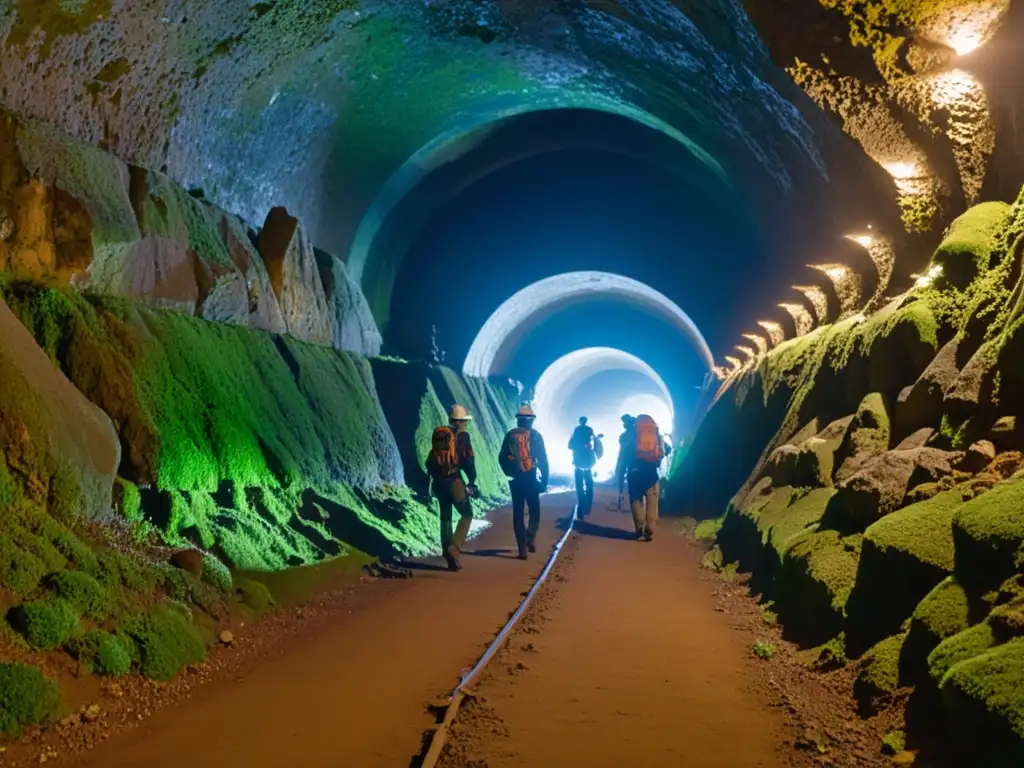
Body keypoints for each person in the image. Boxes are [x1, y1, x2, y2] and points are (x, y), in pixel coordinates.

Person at [425, 404, 479, 571]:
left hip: (439, 482)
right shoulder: (463, 437)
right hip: (454, 481)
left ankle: (449, 557)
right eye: (464, 421)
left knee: (445, 518)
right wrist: (472, 480)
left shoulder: (440, 435)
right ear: (461, 422)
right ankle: (454, 549)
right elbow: (468, 461)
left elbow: (429, 462)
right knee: (467, 514)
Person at [499, 404, 549, 559]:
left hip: (516, 479)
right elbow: (543, 461)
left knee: (518, 513)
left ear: (518, 420)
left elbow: (501, 457)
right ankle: (531, 537)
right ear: (532, 420)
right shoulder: (535, 436)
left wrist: (510, 472)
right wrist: (544, 482)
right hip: (531, 477)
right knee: (535, 509)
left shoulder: (510, 435)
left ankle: (522, 548)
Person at [618, 413, 672, 541]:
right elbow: (666, 451)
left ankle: (639, 528)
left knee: (636, 500)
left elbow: (623, 458)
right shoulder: (656, 435)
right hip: (651, 471)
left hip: (634, 472)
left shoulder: (626, 437)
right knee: (652, 499)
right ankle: (650, 528)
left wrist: (621, 475)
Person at [568, 417, 602, 518]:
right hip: (588, 462)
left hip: (578, 462)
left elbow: (570, 445)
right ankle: (588, 506)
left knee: (579, 485)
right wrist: (598, 454)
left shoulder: (576, 431)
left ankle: (581, 504)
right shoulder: (590, 431)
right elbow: (596, 444)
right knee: (589, 484)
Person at [615, 414, 636, 509]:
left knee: (621, 476)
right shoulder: (637, 434)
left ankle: (621, 495)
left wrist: (618, 463)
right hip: (634, 459)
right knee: (632, 478)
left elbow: (622, 450)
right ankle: (631, 499)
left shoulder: (624, 436)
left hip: (626, 458)